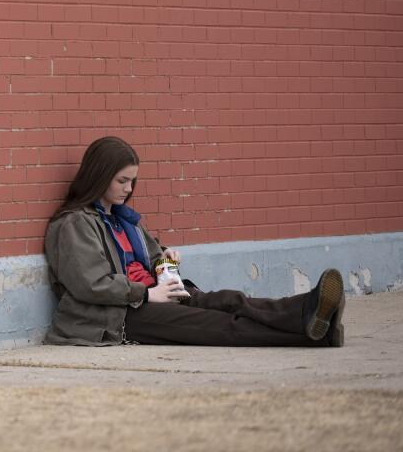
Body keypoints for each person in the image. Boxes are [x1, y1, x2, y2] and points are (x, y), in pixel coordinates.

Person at [44, 136, 345, 347]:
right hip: (118, 316)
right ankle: (317, 329)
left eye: (133, 180)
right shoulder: (74, 223)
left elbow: (152, 256)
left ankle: (309, 308)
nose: (129, 188)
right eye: (122, 181)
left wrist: (165, 260)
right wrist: (149, 295)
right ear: (99, 176)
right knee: (218, 326)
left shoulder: (123, 218)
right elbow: (92, 284)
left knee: (229, 301)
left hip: (157, 293)